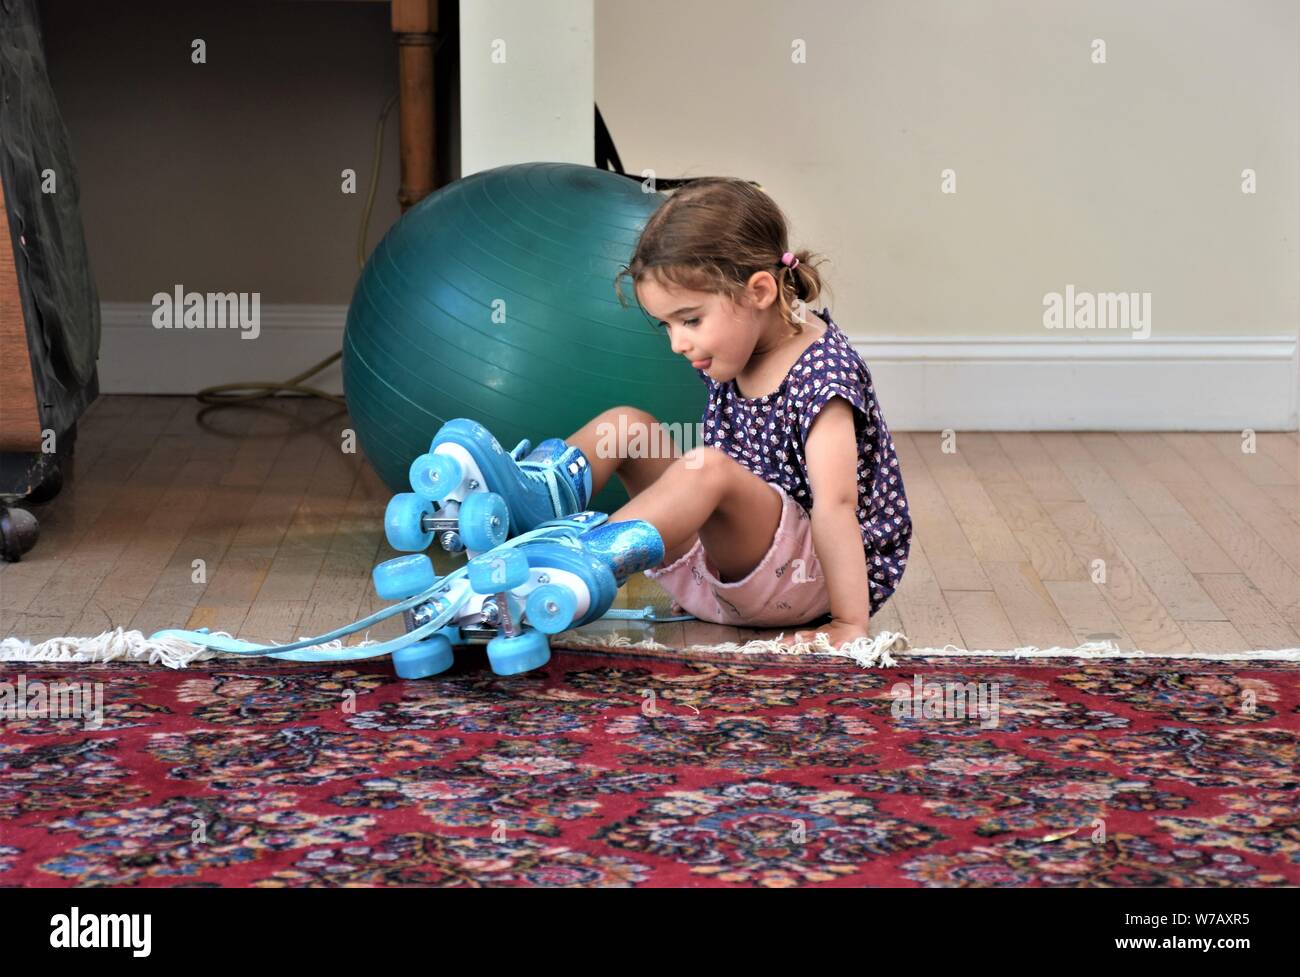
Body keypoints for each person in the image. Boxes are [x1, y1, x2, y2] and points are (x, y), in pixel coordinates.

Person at [562, 177, 911, 648]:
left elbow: (837, 505)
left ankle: (573, 566)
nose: (678, 343)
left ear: (760, 291)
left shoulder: (825, 377)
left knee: (707, 469)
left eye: (690, 320)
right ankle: (534, 494)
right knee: (625, 426)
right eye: (666, 324)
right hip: (718, 570)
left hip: (803, 580)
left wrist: (850, 623)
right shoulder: (735, 344)